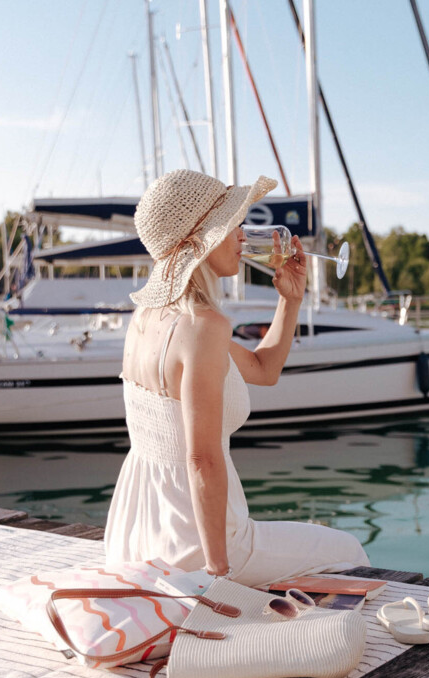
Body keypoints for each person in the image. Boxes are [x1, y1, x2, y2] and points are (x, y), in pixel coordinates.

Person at [105, 169, 369, 586]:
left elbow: (264, 371)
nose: (243, 236)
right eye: (233, 224)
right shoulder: (203, 327)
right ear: (202, 240)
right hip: (197, 543)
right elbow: (202, 461)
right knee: (348, 551)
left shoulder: (151, 317)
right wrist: (218, 574)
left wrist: (291, 302)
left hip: (137, 532)